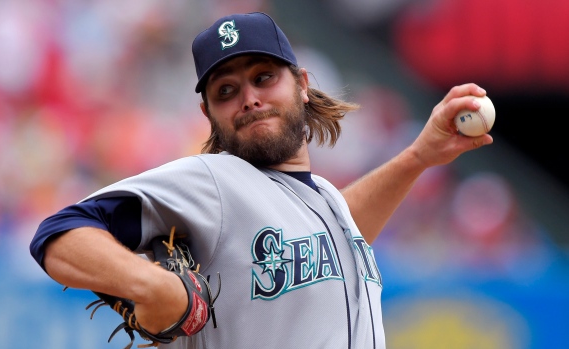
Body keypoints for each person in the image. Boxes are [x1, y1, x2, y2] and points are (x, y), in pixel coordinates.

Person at [29, 12, 493, 349]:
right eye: (226, 91)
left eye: (263, 77)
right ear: (207, 114)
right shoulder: (212, 180)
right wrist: (151, 285)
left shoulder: (323, 198)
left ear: (302, 83)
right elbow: (58, 234)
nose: (248, 98)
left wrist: (417, 158)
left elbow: (337, 237)